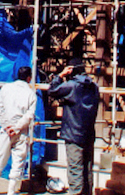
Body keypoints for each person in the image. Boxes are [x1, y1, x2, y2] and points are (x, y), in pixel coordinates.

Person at [0, 66, 37, 195]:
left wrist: (7, 126)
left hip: (6, 130)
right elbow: (29, 115)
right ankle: (11, 190)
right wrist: (17, 127)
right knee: (18, 160)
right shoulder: (31, 94)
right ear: (29, 78)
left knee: (0, 157)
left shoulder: (6, 88)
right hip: (21, 131)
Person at [48, 58, 99, 195]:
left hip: (73, 134)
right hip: (89, 134)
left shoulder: (71, 86)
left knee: (75, 171)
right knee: (87, 171)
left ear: (71, 70)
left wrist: (60, 76)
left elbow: (52, 90)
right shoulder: (94, 87)